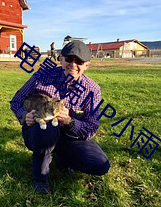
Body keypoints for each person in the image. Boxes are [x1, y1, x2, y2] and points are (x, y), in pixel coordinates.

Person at [10, 41, 110, 194]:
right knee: (48, 127)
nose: (73, 64)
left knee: (100, 164)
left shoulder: (93, 90)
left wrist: (70, 122)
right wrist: (24, 116)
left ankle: (61, 157)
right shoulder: (41, 77)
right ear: (61, 59)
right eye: (69, 59)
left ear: (87, 65)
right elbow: (16, 100)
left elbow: (91, 128)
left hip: (69, 136)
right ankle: (41, 177)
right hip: (39, 130)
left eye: (79, 61)